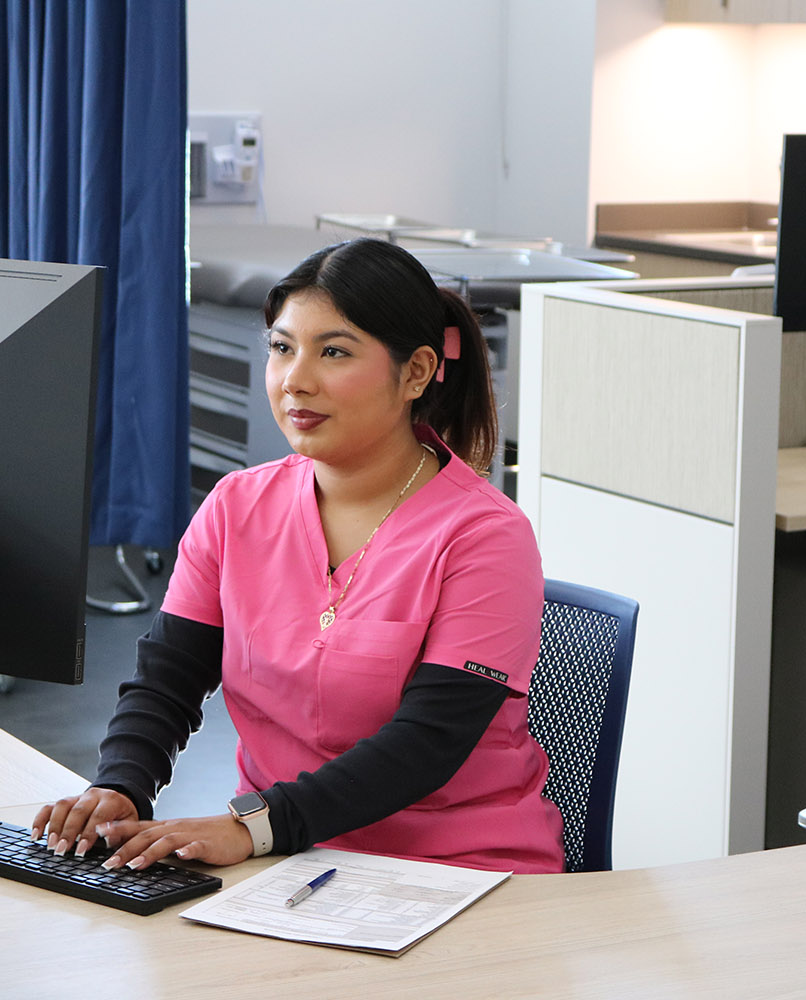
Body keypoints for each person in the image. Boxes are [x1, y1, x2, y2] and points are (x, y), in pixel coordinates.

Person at [34, 237, 563, 874]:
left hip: (454, 870)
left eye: (333, 352)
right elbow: (168, 679)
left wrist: (256, 828)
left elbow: (431, 742)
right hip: (288, 863)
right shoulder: (236, 507)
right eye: (282, 349)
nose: (295, 381)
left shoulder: (485, 536)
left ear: (416, 372)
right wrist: (121, 786)